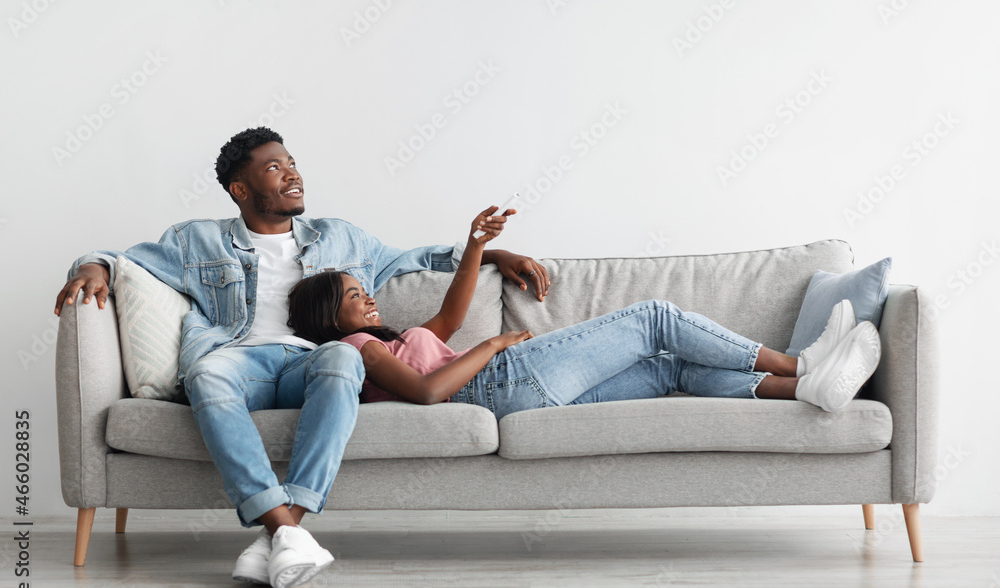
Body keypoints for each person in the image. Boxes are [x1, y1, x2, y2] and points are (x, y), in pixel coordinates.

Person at [53, 127, 550, 588]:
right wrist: (93, 269)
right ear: (240, 190)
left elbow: (419, 259)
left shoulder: (341, 237)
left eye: (291, 162)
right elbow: (119, 258)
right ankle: (287, 532)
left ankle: (282, 530)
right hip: (236, 359)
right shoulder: (194, 240)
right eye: (273, 168)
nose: (292, 173)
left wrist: (492, 255)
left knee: (342, 358)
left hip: (309, 361)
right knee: (205, 374)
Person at [286, 209, 882, 418]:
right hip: (503, 381)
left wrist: (475, 244)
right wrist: (490, 346)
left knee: (668, 371)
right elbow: (423, 393)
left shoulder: (390, 338)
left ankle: (803, 391)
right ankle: (803, 364)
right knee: (653, 317)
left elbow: (449, 312)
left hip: (516, 388)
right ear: (329, 318)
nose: (366, 294)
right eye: (351, 294)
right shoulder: (353, 352)